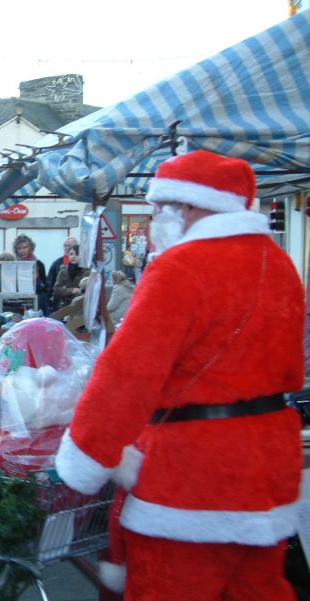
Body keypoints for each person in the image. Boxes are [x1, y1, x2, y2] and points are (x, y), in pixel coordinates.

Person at [53, 150, 304, 600]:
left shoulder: (179, 267)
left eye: (159, 207)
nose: (154, 219)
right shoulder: (281, 265)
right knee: (259, 588)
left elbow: (127, 375)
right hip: (270, 464)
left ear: (185, 206)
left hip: (192, 474)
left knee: (169, 587)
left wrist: (86, 456)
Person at [52, 244, 90, 309]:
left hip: (81, 306)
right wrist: (72, 290)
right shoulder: (63, 271)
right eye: (71, 254)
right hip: (65, 306)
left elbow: (89, 291)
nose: (73, 257)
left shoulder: (87, 271)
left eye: (77, 254)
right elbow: (56, 290)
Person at [47, 236, 77, 303]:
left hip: (76, 298)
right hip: (59, 300)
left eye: (69, 246)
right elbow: (50, 283)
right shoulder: (57, 263)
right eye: (65, 246)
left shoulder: (82, 264)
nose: (66, 248)